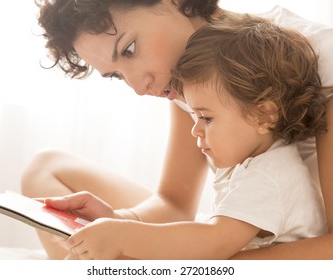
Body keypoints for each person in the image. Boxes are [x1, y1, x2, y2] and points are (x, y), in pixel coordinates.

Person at [22, 0, 333, 259]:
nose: (139, 87)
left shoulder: (320, 57)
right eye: (117, 75)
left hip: (297, 243)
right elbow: (174, 204)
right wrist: (118, 222)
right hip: (244, 227)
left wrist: (195, 260)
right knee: (46, 168)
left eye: (129, 49)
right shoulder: (188, 77)